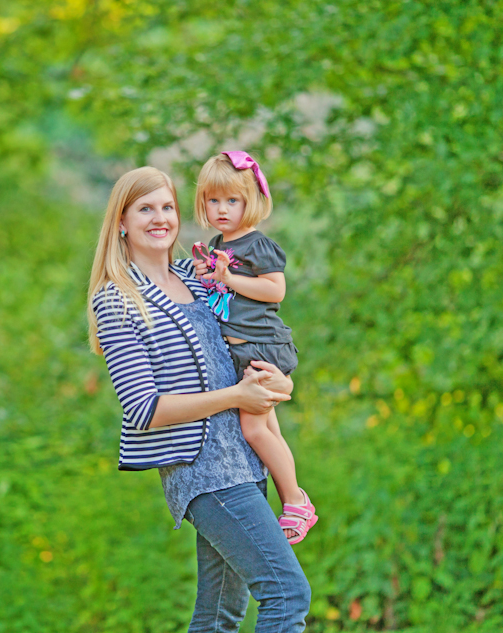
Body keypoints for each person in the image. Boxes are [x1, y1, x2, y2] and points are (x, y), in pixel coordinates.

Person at [88, 166, 311, 632]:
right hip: (204, 473)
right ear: (122, 222)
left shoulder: (198, 276)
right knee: (287, 593)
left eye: (167, 206)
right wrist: (236, 394)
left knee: (218, 616)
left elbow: (252, 336)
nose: (160, 218)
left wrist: (279, 384)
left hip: (248, 462)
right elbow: (145, 409)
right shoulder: (117, 300)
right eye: (145, 208)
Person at [192, 151, 318, 545]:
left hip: (263, 347)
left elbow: (274, 290)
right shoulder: (217, 244)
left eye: (233, 200)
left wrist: (229, 277)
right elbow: (221, 296)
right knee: (268, 429)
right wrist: (211, 276)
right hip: (243, 352)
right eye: (214, 200)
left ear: (252, 201)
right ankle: (292, 499)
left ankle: (296, 501)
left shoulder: (257, 245)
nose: (222, 209)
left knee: (254, 429)